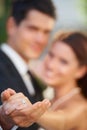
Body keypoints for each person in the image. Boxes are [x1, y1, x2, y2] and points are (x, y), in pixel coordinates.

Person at [2, 31, 87, 130]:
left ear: (80, 71)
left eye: (63, 62)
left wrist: (31, 112)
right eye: (51, 55)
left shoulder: (82, 107)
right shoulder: (43, 95)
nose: (51, 65)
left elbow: (63, 122)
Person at [0, 0, 56, 129]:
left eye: (46, 32)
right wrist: (3, 119)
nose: (40, 39)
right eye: (33, 28)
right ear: (11, 26)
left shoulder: (33, 78)